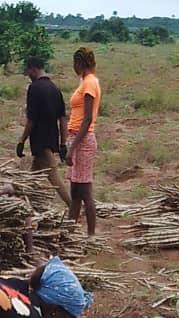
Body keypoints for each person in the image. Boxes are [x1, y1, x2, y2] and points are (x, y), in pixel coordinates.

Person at [16, 57, 71, 208]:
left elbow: (31, 120)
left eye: (27, 71)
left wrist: (22, 141)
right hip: (51, 139)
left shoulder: (34, 88)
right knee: (33, 175)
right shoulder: (54, 88)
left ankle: (73, 206)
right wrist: (62, 144)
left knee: (53, 175)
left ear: (33, 69)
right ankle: (24, 203)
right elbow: (63, 119)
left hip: (40, 141)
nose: (27, 74)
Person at [65, 46, 101, 238]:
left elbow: (87, 119)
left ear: (80, 63)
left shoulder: (89, 83)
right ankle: (70, 232)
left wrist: (72, 147)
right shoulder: (86, 82)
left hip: (83, 140)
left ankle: (91, 235)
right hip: (78, 138)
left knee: (85, 191)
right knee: (75, 192)